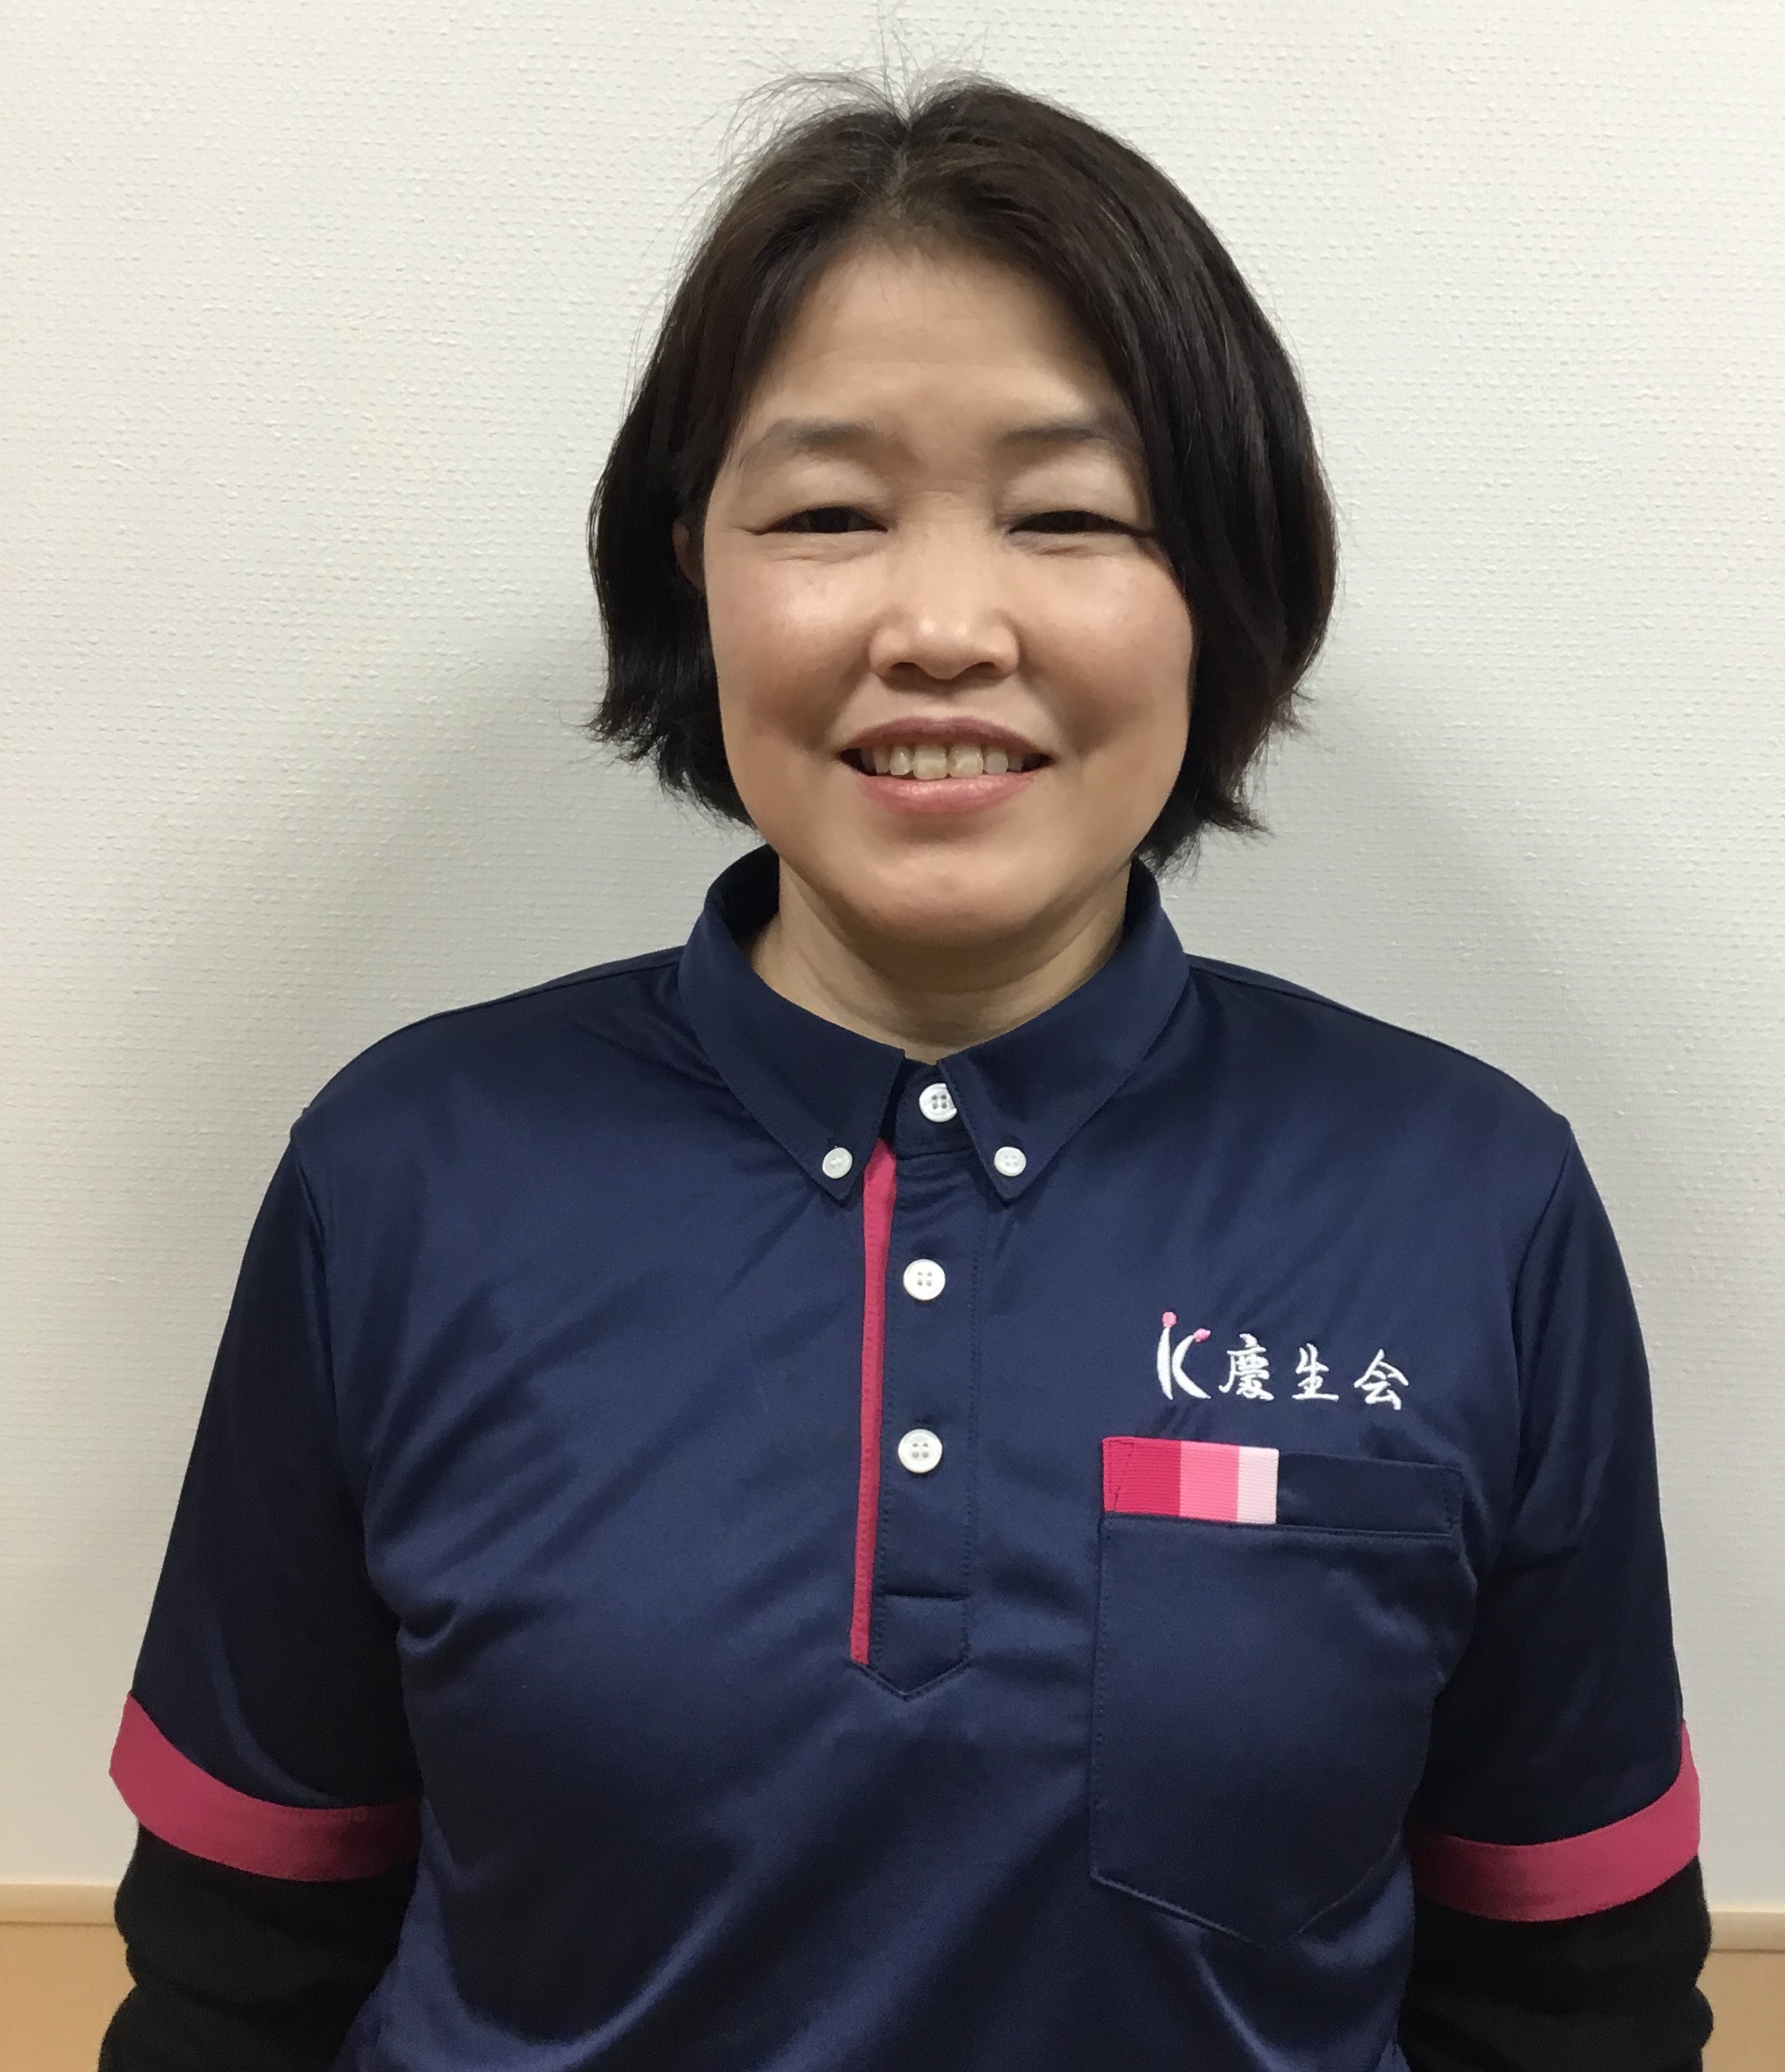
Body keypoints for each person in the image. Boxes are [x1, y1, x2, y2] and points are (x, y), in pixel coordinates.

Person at [101, 66, 1713, 2072]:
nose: (943, 627)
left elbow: (1575, 2004)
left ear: (1222, 587)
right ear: (690, 572)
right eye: (828, 515)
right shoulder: (404, 1175)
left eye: (1071, 515)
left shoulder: (1469, 1201)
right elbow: (241, 1970)